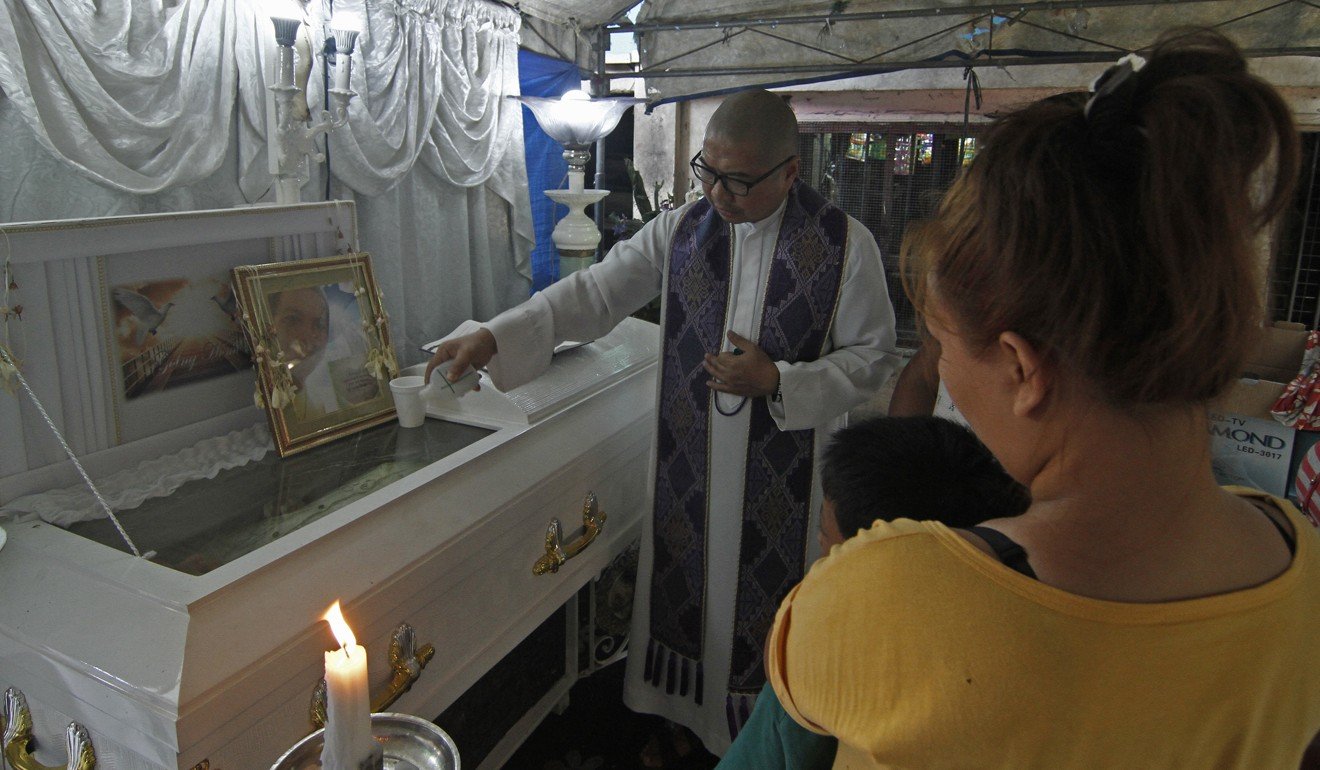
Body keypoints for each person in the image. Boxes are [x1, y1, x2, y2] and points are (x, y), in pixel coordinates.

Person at [767, 28, 1320, 768]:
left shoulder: (890, 597)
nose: (947, 377)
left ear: (1024, 370)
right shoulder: (1303, 572)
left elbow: (793, 700)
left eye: (943, 343)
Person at [425, 89, 899, 756]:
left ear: (790, 172)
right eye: (708, 171)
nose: (719, 194)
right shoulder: (682, 229)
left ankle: (760, 752)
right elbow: (595, 292)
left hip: (784, 488)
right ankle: (683, 735)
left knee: (768, 632)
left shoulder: (846, 246)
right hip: (691, 475)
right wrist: (494, 337)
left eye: (739, 179)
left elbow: (874, 358)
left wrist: (781, 382)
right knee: (691, 613)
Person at [720, 415, 1028, 770]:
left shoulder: (831, 647)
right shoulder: (1009, 612)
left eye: (825, 536)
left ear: (871, 562)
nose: (819, 548)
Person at [270, 285, 378, 419]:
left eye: (318, 323)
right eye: (293, 319)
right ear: (268, 325)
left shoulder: (322, 408)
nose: (308, 335)